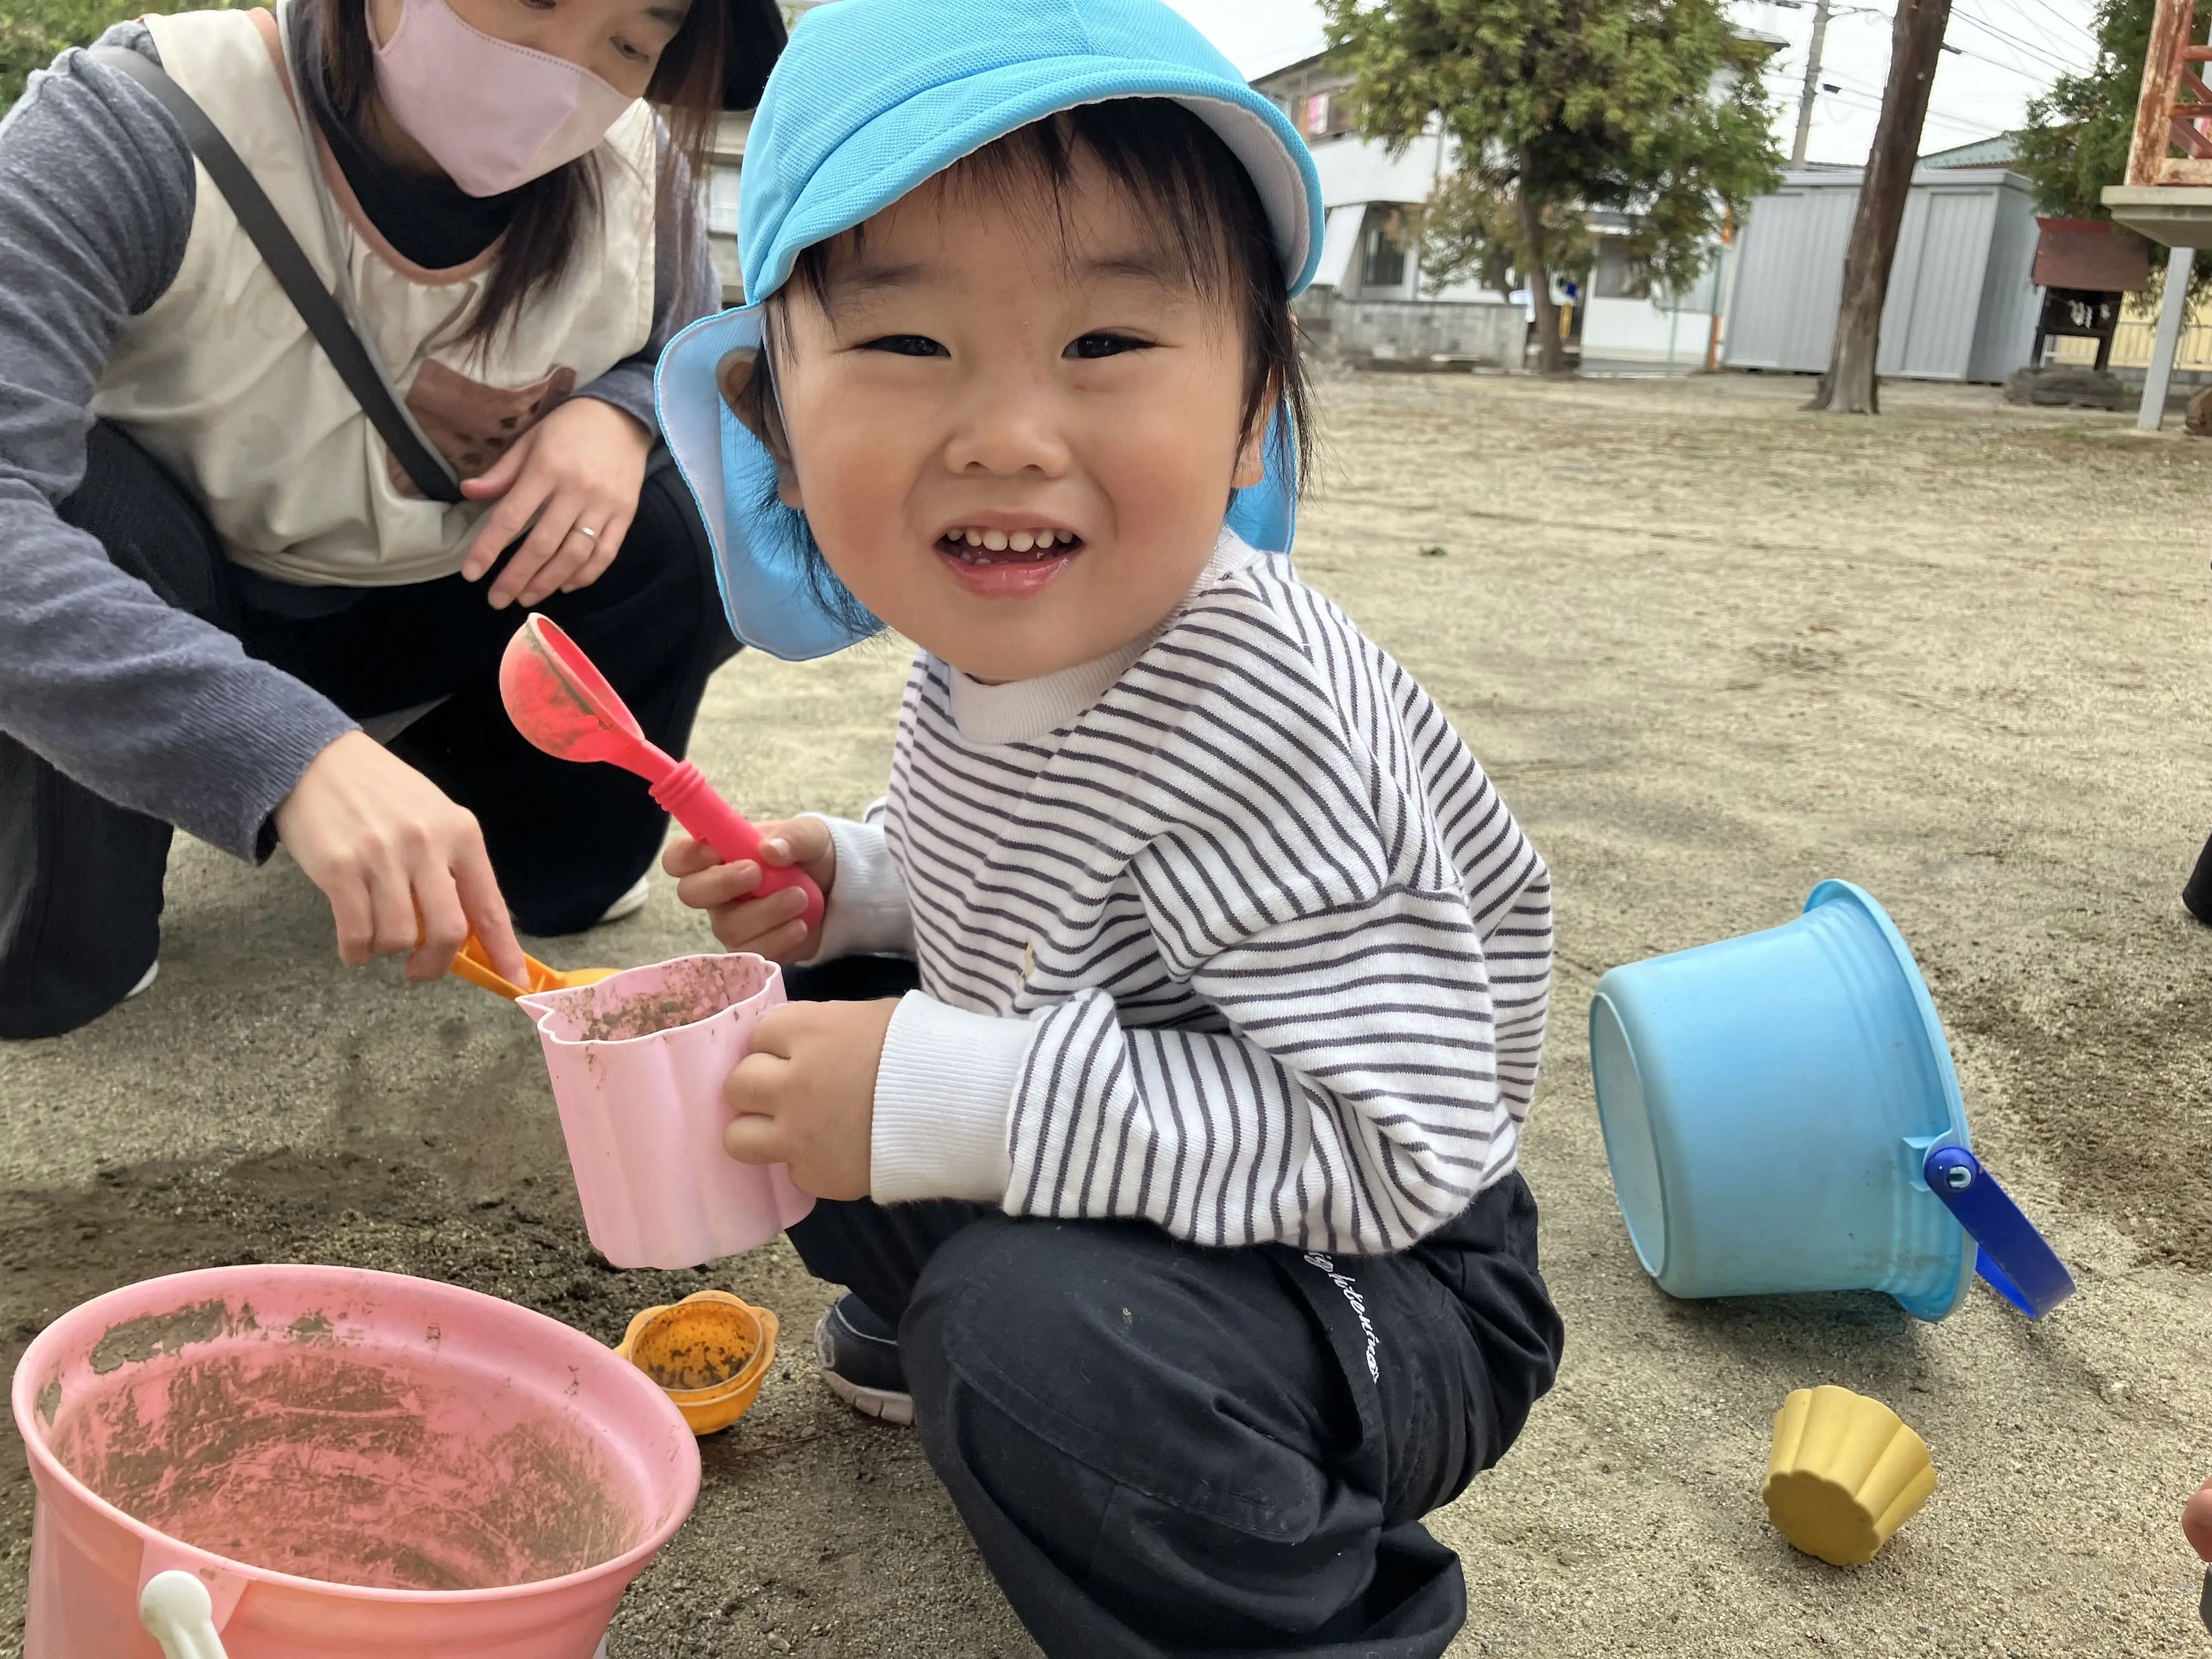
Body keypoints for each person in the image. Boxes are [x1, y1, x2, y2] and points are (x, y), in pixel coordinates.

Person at [650, 3, 1566, 1654]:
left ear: (1251, 409)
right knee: (785, 1029)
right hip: (1157, 1148)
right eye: (907, 344)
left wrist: (958, 1100)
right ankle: (946, 1309)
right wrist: (860, 884)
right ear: (773, 418)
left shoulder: (1272, 721)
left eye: (1107, 343)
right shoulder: (1009, 638)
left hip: (1387, 1270)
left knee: (1034, 1339)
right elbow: (1036, 857)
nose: (1007, 434)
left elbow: (1394, 1147)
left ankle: (1303, 1607)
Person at [0, 0, 787, 1039]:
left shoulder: (639, 166)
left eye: (630, 45)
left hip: (452, 595)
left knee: (705, 502)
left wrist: (625, 411)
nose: (559, 74)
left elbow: (689, 348)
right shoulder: (134, 122)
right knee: (51, 980)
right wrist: (279, 752)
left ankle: (473, 808)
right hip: (193, 605)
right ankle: (88, 899)